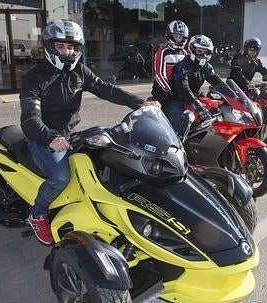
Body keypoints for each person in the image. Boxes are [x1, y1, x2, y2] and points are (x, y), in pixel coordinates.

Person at [19, 19, 159, 245]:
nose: (67, 51)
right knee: (60, 176)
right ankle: (37, 213)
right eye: (61, 46)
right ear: (49, 46)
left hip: (69, 134)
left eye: (72, 46)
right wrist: (50, 137)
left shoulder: (79, 72)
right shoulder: (34, 78)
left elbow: (107, 89)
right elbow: (29, 119)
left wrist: (140, 104)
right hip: (43, 138)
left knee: (107, 157)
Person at [167, 34, 223, 136]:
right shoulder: (182, 65)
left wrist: (231, 94)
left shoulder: (206, 67)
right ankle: (179, 146)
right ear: (192, 49)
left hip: (196, 98)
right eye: (200, 51)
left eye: (206, 52)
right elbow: (183, 88)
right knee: (179, 130)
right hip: (178, 100)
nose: (203, 55)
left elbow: (217, 81)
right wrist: (197, 105)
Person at [151, 20, 189, 109]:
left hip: (179, 87)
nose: (179, 39)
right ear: (169, 36)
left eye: (181, 37)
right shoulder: (162, 52)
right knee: (168, 105)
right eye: (176, 36)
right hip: (162, 88)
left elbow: (187, 73)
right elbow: (159, 74)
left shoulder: (185, 53)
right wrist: (169, 90)